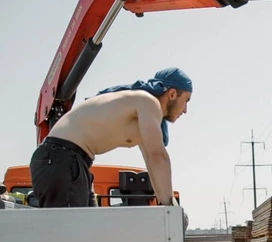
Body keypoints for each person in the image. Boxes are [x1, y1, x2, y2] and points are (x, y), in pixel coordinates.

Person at [29, 67, 192, 208]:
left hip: (70, 161)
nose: (185, 110)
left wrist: (168, 206)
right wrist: (171, 210)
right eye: (186, 100)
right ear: (172, 94)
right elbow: (158, 156)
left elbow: (152, 162)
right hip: (62, 159)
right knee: (71, 237)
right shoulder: (148, 102)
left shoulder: (143, 111)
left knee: (90, 233)